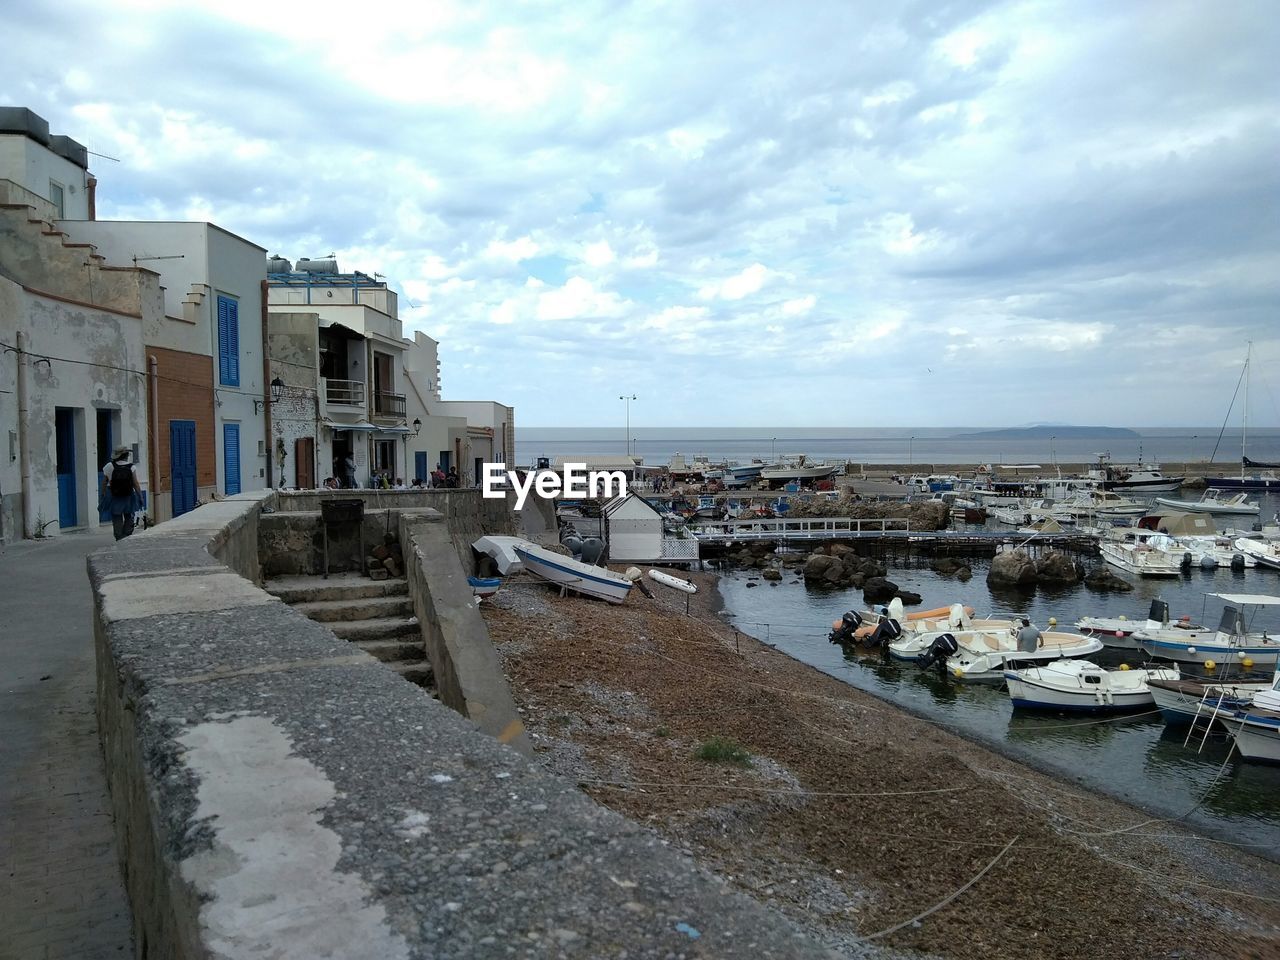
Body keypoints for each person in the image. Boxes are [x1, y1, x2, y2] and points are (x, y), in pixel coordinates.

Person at [101, 446, 143, 540]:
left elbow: (104, 482)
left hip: (114, 495)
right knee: (129, 515)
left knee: (116, 516)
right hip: (128, 495)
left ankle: (119, 536)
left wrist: (103, 493)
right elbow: (135, 483)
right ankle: (127, 533)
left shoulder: (109, 466)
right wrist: (140, 496)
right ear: (126, 455)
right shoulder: (131, 467)